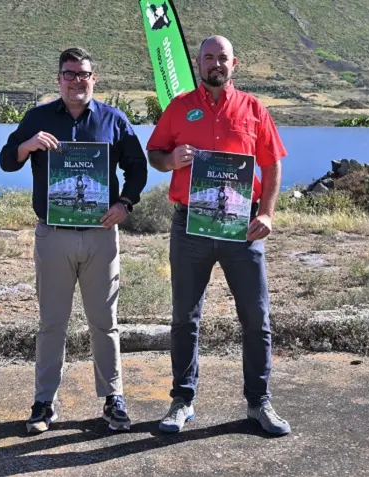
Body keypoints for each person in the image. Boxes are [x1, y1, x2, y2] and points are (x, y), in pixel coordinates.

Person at [146, 35, 291, 436]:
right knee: (185, 319)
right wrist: (170, 160)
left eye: (222, 58)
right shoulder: (179, 108)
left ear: (234, 63)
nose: (215, 64)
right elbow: (154, 153)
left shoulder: (253, 109)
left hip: (241, 229)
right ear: (198, 62)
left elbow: (273, 165)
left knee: (256, 318)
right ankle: (182, 400)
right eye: (208, 57)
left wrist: (267, 213)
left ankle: (259, 403)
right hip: (190, 226)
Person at [0, 47, 148, 433]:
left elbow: (137, 168)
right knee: (52, 323)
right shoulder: (38, 118)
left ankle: (113, 399)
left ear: (93, 79)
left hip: (101, 235)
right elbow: (5, 159)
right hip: (54, 236)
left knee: (105, 321)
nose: (76, 81)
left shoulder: (114, 120)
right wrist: (28, 146)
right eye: (69, 74)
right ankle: (44, 403)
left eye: (83, 74)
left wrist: (125, 203)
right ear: (58, 79)